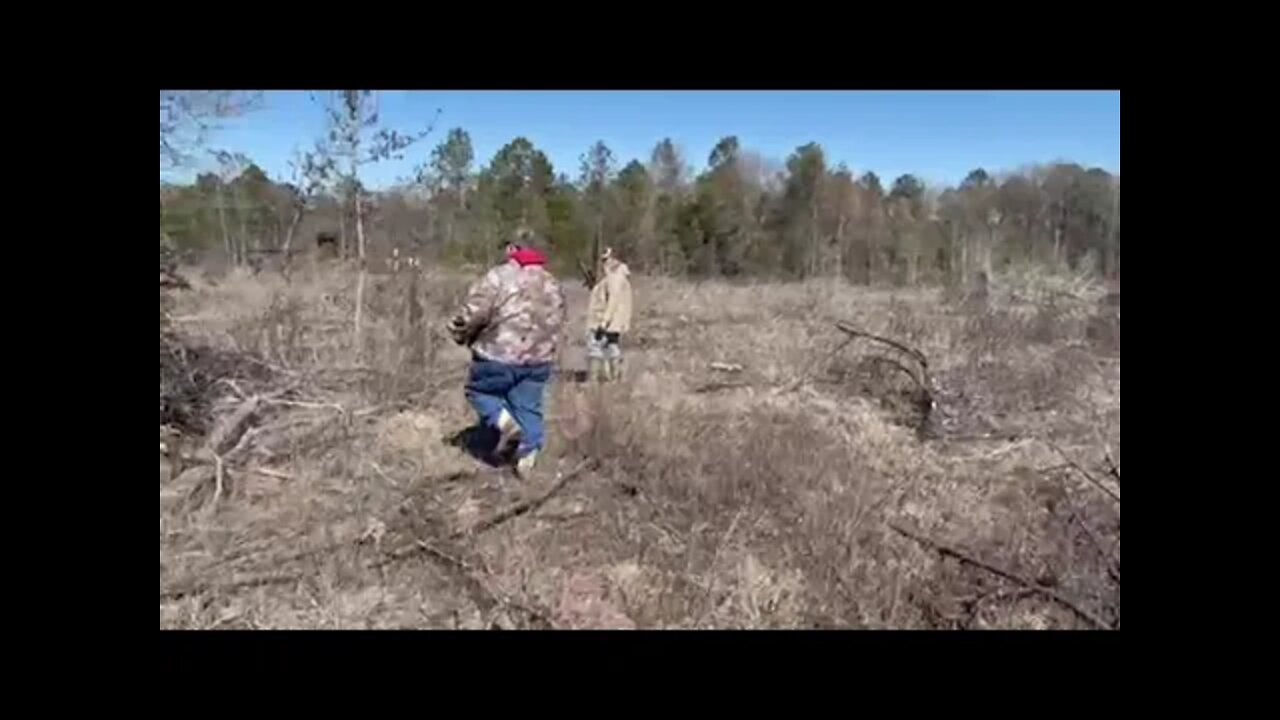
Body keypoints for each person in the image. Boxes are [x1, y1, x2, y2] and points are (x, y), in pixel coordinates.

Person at [448, 229, 566, 476]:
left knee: (480, 391)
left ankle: (506, 426)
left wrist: (459, 332)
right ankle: (527, 457)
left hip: (499, 354)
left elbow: (475, 312)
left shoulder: (499, 277)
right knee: (528, 405)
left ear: (513, 249)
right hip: (539, 359)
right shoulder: (551, 282)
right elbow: (559, 319)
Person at [585, 246, 633, 382]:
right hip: (615, 322)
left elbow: (613, 301)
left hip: (605, 321)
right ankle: (614, 378)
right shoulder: (618, 278)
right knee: (612, 347)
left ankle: (595, 380)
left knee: (595, 347)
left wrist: (603, 322)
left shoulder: (615, 278)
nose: (604, 262)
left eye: (606, 259)